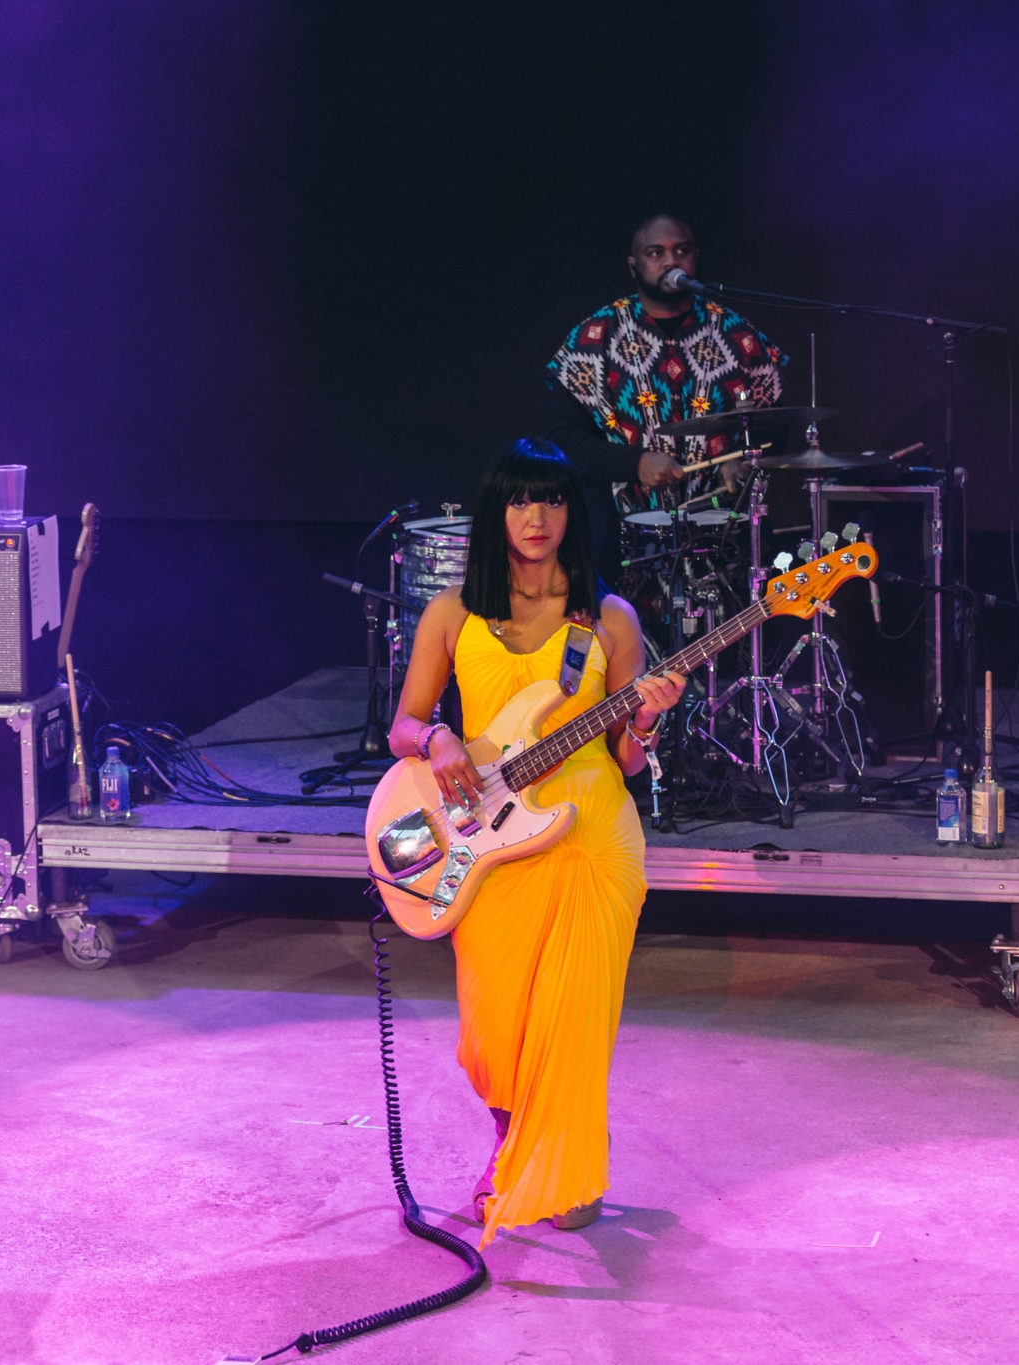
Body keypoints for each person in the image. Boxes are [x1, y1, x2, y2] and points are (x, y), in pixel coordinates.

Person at [387, 438, 684, 1245]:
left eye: (552, 500)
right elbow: (403, 722)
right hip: (487, 837)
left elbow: (622, 752)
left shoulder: (608, 619)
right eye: (521, 500)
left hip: (591, 834)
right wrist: (439, 739)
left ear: (570, 513)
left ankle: (566, 1162)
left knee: (572, 1014)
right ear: (498, 513)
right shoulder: (453, 613)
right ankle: (513, 1142)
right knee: (493, 1030)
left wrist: (647, 719)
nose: (537, 516)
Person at [545, 213, 788, 581]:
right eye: (655, 253)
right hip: (619, 534)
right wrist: (635, 462)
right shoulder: (595, 337)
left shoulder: (739, 335)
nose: (671, 261)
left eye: (682, 251)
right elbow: (563, 439)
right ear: (634, 266)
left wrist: (745, 462)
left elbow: (778, 423)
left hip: (724, 529)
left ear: (696, 258)